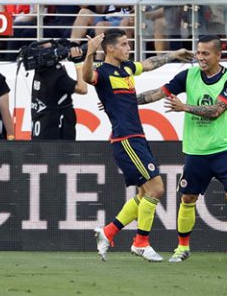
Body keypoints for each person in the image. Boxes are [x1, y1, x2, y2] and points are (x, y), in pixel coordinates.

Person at [135, 35, 227, 264]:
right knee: (188, 197)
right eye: (198, 52)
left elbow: (217, 110)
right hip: (196, 150)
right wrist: (126, 100)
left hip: (224, 148)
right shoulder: (188, 75)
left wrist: (184, 107)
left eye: (206, 53)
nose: (200, 57)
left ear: (219, 55)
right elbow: (159, 92)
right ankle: (182, 248)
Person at [83, 29, 193, 262]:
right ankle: (141, 243)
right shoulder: (102, 72)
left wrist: (175, 54)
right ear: (110, 49)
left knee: (144, 193)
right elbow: (86, 77)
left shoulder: (126, 69)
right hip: (125, 139)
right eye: (123, 44)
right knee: (156, 189)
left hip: (136, 137)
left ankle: (108, 232)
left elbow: (149, 64)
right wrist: (90, 54)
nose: (128, 48)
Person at [30, 42, 87, 140]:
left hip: (41, 131)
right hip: (56, 131)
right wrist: (78, 62)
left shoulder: (39, 71)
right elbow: (82, 88)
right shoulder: (56, 75)